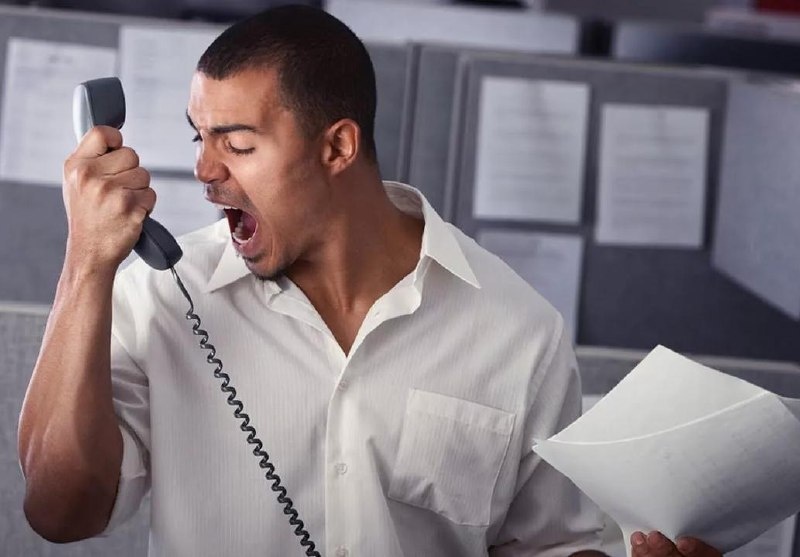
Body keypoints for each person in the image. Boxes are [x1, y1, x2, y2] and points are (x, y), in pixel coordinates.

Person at [18, 5, 724, 557]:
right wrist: (86, 262)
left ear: (338, 146)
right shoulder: (164, 297)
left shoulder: (518, 329)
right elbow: (58, 511)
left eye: (237, 144)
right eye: (198, 138)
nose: (204, 170)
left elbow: (548, 545)